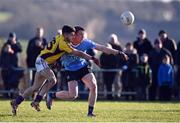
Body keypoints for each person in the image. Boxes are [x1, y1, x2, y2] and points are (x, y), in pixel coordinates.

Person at [10, 25, 99, 116]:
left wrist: (56, 61)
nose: (73, 37)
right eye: (72, 35)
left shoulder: (59, 37)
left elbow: (55, 51)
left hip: (41, 61)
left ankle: (16, 102)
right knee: (53, 80)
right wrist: (92, 58)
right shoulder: (64, 43)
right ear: (65, 35)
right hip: (43, 61)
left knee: (35, 88)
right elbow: (78, 53)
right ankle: (36, 101)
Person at [45, 26, 128, 117]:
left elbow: (102, 48)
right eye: (81, 35)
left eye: (84, 35)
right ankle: (52, 95)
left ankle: (90, 112)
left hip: (83, 67)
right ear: (74, 35)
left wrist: (119, 52)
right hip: (70, 70)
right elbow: (53, 52)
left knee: (93, 85)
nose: (83, 38)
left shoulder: (85, 42)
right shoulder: (65, 43)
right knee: (72, 95)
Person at [0, 32, 23, 98]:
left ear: (15, 38)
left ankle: (13, 95)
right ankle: (6, 96)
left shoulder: (17, 44)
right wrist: (6, 51)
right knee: (6, 84)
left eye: (13, 37)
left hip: (15, 68)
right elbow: (2, 56)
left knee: (14, 83)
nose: (11, 39)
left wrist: (13, 47)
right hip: (6, 68)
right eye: (11, 37)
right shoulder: (6, 45)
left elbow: (20, 50)